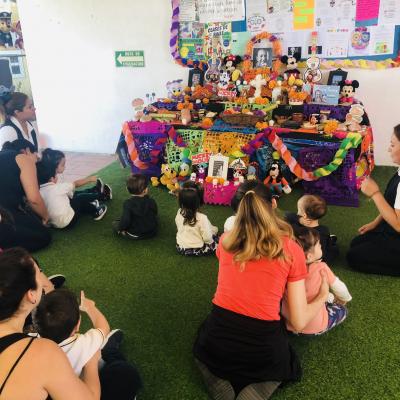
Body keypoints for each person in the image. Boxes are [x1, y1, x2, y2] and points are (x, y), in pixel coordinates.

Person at [193, 190, 329, 400]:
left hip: (218, 338)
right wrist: (322, 295)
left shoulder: (226, 240)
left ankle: (218, 380)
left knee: (205, 347)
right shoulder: (291, 249)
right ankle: (259, 387)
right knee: (283, 361)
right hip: (263, 346)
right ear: (273, 203)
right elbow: (299, 321)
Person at [0, 247, 100, 400]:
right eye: (39, 272)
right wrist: (91, 362)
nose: (42, 276)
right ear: (31, 295)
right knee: (123, 375)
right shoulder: (43, 351)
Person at [33, 289, 142, 399]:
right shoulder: (84, 344)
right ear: (78, 324)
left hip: (64, 392)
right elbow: (104, 327)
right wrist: (90, 307)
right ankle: (110, 350)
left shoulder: (31, 345)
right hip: (92, 385)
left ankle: (108, 349)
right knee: (123, 370)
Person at [347, 124, 400, 276]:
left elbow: (398, 225)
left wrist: (375, 194)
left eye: (392, 145)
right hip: (393, 229)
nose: (389, 149)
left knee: (354, 257)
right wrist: (374, 224)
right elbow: (391, 205)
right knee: (356, 243)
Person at [281, 227, 351, 335]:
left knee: (326, 296)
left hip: (289, 324)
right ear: (309, 256)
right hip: (314, 326)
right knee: (343, 310)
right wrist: (345, 298)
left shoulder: (283, 269)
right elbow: (339, 287)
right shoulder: (321, 268)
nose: (321, 246)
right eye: (319, 246)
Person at [0, 139, 51, 252]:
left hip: (4, 213)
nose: (37, 159)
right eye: (36, 155)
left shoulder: (4, 156)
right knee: (43, 235)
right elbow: (33, 199)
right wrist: (46, 216)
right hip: (3, 217)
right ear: (26, 150)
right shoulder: (23, 158)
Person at [37, 161, 109, 228]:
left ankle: (94, 199)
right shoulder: (58, 188)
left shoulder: (39, 192)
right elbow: (75, 184)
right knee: (78, 199)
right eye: (55, 174)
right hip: (69, 222)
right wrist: (89, 179)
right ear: (52, 179)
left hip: (55, 224)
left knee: (73, 199)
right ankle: (101, 199)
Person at [285, 194, 338, 262]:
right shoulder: (323, 231)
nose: (297, 213)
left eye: (298, 210)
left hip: (298, 253)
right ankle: (331, 240)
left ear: (304, 215)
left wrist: (299, 219)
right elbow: (322, 252)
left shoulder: (294, 225)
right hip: (315, 256)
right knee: (334, 249)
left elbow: (287, 215)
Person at [176, 185, 218, 256]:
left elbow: (178, 226)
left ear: (181, 202)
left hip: (180, 247)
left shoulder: (179, 212)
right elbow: (207, 238)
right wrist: (213, 241)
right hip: (196, 249)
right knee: (219, 241)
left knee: (213, 233)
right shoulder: (202, 218)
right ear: (197, 203)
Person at [113, 174, 158, 239]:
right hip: (153, 231)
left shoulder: (127, 203)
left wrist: (120, 229)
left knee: (115, 224)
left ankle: (122, 231)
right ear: (146, 190)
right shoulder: (151, 200)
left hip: (136, 234)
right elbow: (155, 212)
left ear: (127, 189)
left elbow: (126, 221)